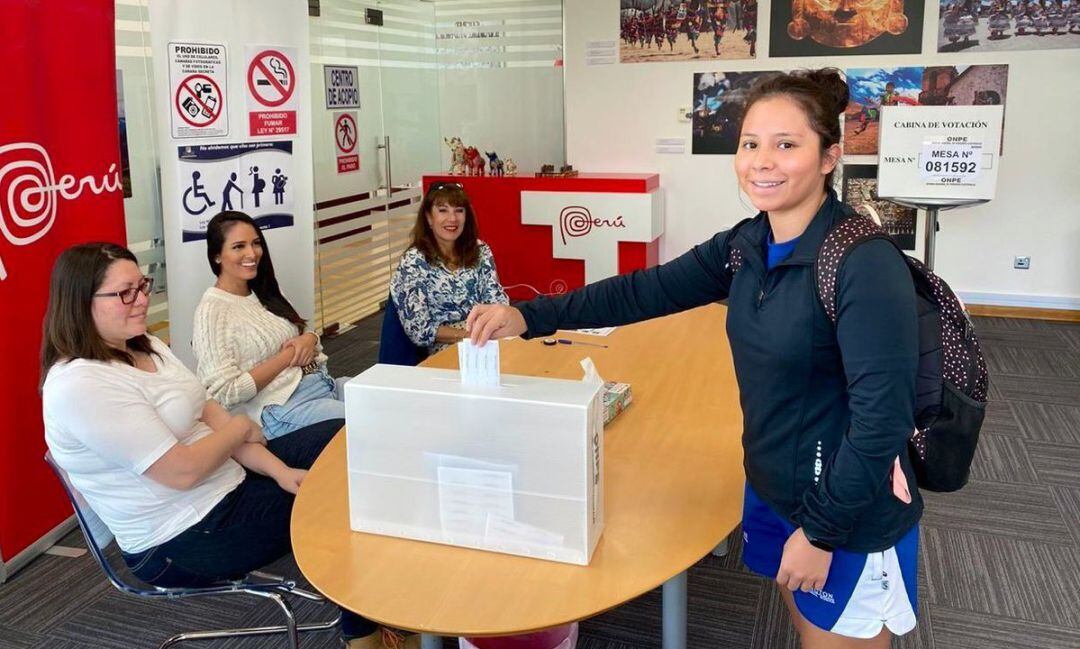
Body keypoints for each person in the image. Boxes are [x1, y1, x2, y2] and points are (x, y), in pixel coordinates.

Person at [467, 69, 921, 649]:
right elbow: (644, 291)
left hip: (843, 509)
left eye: (787, 145)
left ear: (830, 157)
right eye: (750, 144)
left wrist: (822, 532)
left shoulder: (863, 262)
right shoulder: (747, 246)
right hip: (774, 485)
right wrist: (531, 316)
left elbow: (882, 420)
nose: (762, 162)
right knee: (806, 627)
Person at [40, 243, 397, 649]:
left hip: (229, 482)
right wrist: (241, 428)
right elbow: (184, 469)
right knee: (342, 500)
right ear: (80, 303)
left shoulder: (145, 345)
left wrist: (279, 471)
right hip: (182, 535)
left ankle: (378, 603)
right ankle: (364, 636)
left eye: (142, 286)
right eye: (126, 293)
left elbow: (211, 413)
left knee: (342, 435)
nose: (142, 300)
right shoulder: (80, 384)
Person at [193, 211, 345, 440]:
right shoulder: (212, 312)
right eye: (238, 246)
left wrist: (310, 338)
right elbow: (226, 393)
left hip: (322, 382)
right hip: (282, 409)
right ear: (216, 256)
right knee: (376, 422)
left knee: (395, 401)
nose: (251, 253)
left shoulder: (265, 290)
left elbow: (302, 337)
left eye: (256, 243)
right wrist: (287, 357)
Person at [389, 183, 509, 355]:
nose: (452, 219)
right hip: (448, 347)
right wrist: (468, 336)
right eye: (443, 210)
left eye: (459, 210)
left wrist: (489, 330)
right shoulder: (414, 261)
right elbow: (419, 330)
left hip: (487, 336)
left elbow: (497, 302)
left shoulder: (480, 250)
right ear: (429, 218)